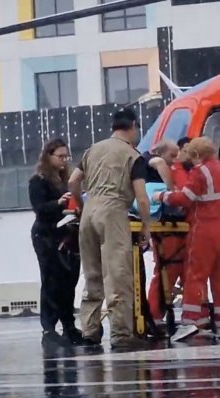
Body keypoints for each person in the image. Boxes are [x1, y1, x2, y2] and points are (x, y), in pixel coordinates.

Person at [68, 108, 152, 351]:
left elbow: (73, 181)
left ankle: (90, 330)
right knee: (117, 275)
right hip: (113, 212)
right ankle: (121, 335)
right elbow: (142, 198)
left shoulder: (92, 150)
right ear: (133, 126)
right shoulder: (132, 155)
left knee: (92, 275)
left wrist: (82, 205)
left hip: (89, 213)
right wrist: (146, 226)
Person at [153, 137, 220, 342]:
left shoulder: (200, 171)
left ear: (197, 155)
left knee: (195, 276)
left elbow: (185, 199)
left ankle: (189, 322)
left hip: (205, 230)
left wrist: (161, 196)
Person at [28, 138, 87, 346]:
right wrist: (59, 203)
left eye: (66, 157)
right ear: (48, 156)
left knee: (69, 281)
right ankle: (49, 328)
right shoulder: (38, 180)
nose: (64, 160)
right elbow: (39, 209)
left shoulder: (66, 180)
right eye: (60, 156)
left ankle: (68, 325)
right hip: (46, 234)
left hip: (66, 234)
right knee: (51, 281)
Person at [147, 137, 192, 325]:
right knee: (168, 271)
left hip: (186, 228)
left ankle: (193, 317)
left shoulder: (190, 171)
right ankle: (155, 315)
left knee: (189, 273)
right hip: (171, 229)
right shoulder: (167, 169)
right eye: (184, 151)